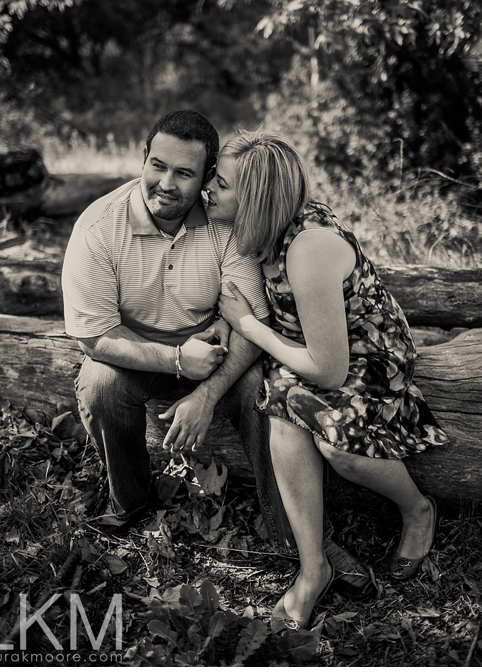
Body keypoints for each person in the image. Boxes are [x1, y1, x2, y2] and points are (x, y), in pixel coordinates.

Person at [60, 110, 374, 603]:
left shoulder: (227, 223)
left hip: (217, 353)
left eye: (184, 173)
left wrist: (206, 392)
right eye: (157, 165)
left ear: (207, 179)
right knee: (99, 384)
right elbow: (94, 339)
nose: (166, 183)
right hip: (136, 354)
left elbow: (253, 322)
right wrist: (177, 361)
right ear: (143, 158)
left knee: (260, 392)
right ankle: (130, 501)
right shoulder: (99, 227)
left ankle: (297, 538)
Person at [212, 131, 448, 633]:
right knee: (280, 409)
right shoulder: (267, 228)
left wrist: (249, 327)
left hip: (367, 355)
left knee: (339, 448)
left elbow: (330, 370)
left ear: (255, 200)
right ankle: (312, 566)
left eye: (222, 183)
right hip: (310, 346)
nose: (209, 188)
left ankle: (418, 509)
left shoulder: (308, 248)